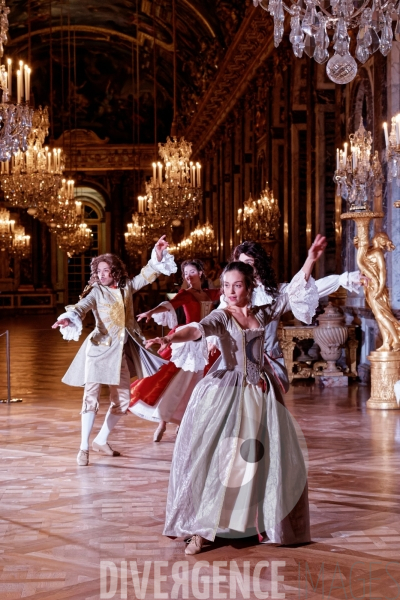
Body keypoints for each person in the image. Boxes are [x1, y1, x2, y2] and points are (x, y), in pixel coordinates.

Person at [145, 242, 326, 555]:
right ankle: (203, 531)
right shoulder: (222, 316)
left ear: (250, 285)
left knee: (264, 459)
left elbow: (293, 291)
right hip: (227, 392)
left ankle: (252, 523)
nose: (229, 291)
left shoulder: (261, 311)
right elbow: (196, 329)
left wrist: (310, 258)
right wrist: (169, 337)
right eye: (226, 285)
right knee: (224, 459)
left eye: (236, 285)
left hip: (261, 391)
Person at [52, 236, 177, 466]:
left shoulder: (126, 286)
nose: (101, 274)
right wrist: (69, 319)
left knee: (121, 401)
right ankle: (83, 448)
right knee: (90, 399)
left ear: (115, 271)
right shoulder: (96, 291)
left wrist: (157, 255)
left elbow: (146, 276)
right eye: (98, 270)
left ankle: (101, 440)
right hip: (98, 350)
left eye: (106, 270)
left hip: (119, 352)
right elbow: (82, 307)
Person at [215, 239, 361, 392]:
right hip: (237, 362)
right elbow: (218, 318)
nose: (244, 268)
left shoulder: (274, 293)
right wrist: (211, 339)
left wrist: (343, 278)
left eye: (249, 263)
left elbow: (307, 289)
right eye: (241, 263)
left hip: (267, 362)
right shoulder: (231, 296)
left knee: (263, 409)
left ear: (259, 264)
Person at [128, 259, 221, 441]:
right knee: (171, 382)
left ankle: (183, 421)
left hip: (206, 341)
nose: (188, 276)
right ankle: (162, 422)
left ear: (201, 273)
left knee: (196, 385)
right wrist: (151, 312)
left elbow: (227, 291)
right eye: (185, 273)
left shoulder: (210, 294)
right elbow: (169, 305)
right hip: (186, 341)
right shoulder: (185, 294)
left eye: (192, 271)